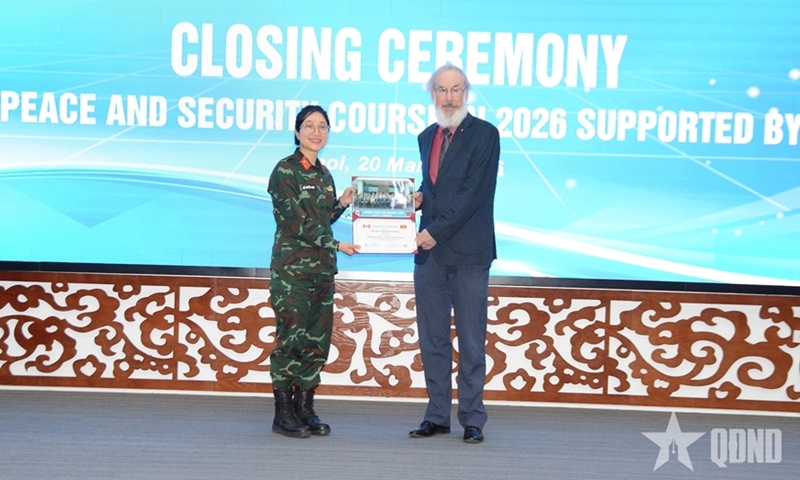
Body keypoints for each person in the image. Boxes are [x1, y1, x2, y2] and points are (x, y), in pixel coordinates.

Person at [408, 65, 500, 444]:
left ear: (466, 93)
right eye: (442, 90)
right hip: (430, 257)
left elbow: (472, 195)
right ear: (432, 94)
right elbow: (437, 188)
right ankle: (437, 416)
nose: (449, 97)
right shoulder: (426, 136)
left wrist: (433, 232)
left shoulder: (485, 135)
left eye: (456, 89)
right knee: (432, 340)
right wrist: (417, 199)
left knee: (472, 341)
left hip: (468, 254)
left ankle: (473, 419)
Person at [267, 104, 359, 439]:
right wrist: (336, 245)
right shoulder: (284, 171)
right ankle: (283, 415)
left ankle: (305, 409)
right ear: (297, 131)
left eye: (322, 126)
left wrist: (343, 203)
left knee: (316, 342)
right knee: (291, 341)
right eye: (309, 126)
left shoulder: (324, 174)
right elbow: (297, 222)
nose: (316, 132)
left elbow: (322, 218)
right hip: (292, 272)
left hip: (321, 271)